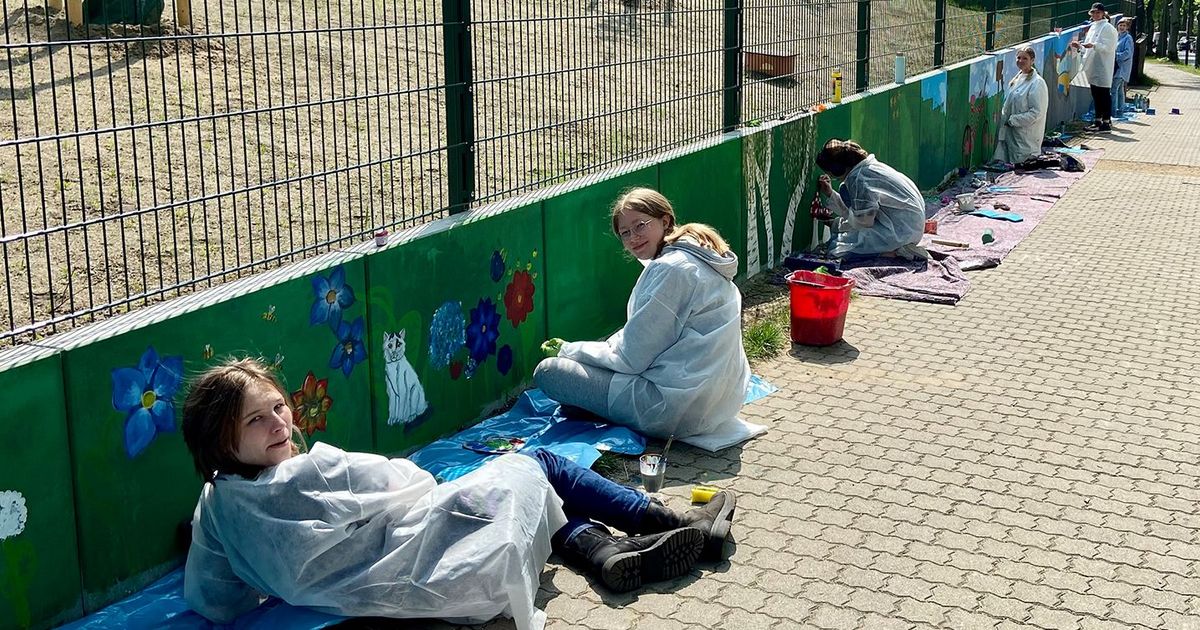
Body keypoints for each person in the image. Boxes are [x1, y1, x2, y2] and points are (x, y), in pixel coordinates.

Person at [180, 358, 737, 628]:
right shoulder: (317, 471)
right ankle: (658, 519)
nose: (279, 422)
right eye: (258, 419)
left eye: (278, 407)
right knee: (532, 463)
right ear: (222, 439)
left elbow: (214, 598)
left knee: (517, 485)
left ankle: (607, 552)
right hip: (448, 572)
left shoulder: (216, 506)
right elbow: (416, 483)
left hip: (384, 598)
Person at [534, 188, 750, 441]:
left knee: (549, 371)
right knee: (587, 368)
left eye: (640, 225)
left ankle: (602, 409)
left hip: (674, 409)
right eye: (625, 233)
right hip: (719, 404)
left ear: (665, 221)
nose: (633, 237)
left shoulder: (671, 270)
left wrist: (568, 350)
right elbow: (641, 335)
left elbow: (632, 359)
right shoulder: (695, 257)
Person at [813, 139, 928, 261]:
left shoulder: (858, 179)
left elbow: (864, 222)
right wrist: (830, 195)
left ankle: (897, 252)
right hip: (910, 227)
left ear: (837, 169)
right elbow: (862, 213)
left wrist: (838, 224)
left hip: (900, 232)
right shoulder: (869, 168)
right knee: (842, 236)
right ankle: (895, 248)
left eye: (831, 174)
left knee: (837, 251)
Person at [994, 46, 1049, 164]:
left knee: (1024, 169)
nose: (1021, 61)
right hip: (1011, 135)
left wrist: (1014, 120)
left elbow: (1037, 112)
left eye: (1025, 58)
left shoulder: (1037, 83)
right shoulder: (1018, 78)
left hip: (1026, 137)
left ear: (1032, 61)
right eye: (1018, 58)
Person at [1069, 3, 1119, 131]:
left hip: (1102, 66)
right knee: (1096, 94)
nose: (1095, 15)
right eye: (1093, 13)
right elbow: (1088, 48)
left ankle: (1106, 122)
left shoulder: (1107, 28)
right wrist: (1080, 46)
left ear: (1103, 13)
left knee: (1104, 94)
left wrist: (1094, 45)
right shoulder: (1093, 27)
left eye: (1098, 13)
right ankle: (1097, 121)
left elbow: (1109, 47)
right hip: (1092, 65)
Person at [1112, 17, 1135, 117]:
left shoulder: (1128, 38)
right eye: (1120, 25)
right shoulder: (1117, 37)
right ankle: (1120, 110)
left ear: (1127, 27)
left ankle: (1113, 112)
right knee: (1120, 90)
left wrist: (1115, 56)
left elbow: (1128, 53)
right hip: (1117, 67)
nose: (1121, 27)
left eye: (1124, 26)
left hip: (1122, 68)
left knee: (1114, 89)